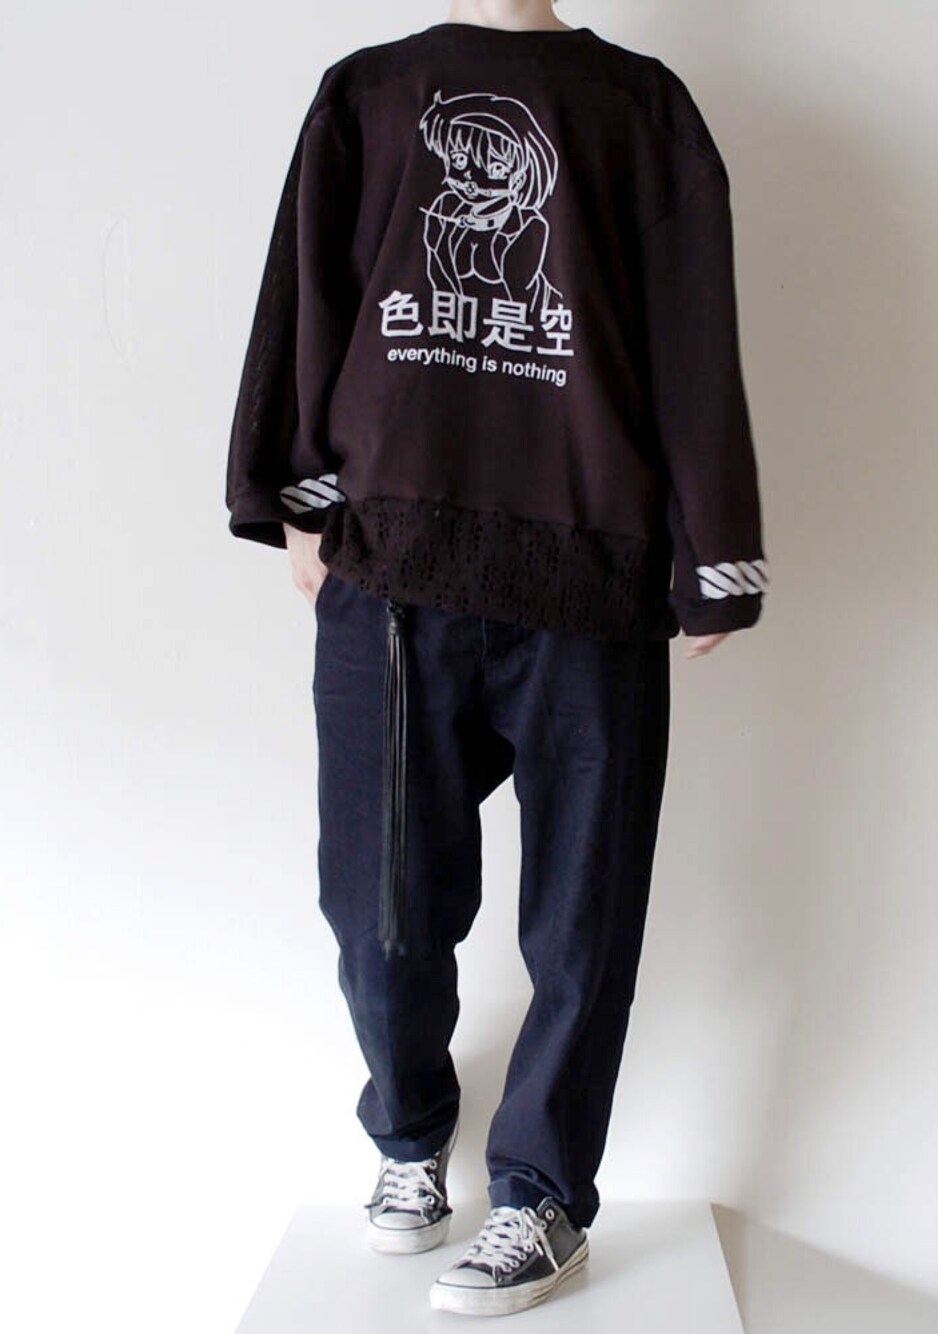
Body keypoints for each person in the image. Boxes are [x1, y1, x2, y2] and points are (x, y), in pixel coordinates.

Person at [225, 0, 768, 1317]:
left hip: (590, 571)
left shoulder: (642, 110)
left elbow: (692, 336)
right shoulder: (368, 94)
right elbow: (309, 289)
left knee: (585, 917)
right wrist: (299, 494)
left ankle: (541, 1193)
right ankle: (410, 1132)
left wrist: (714, 548)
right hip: (394, 567)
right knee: (380, 908)